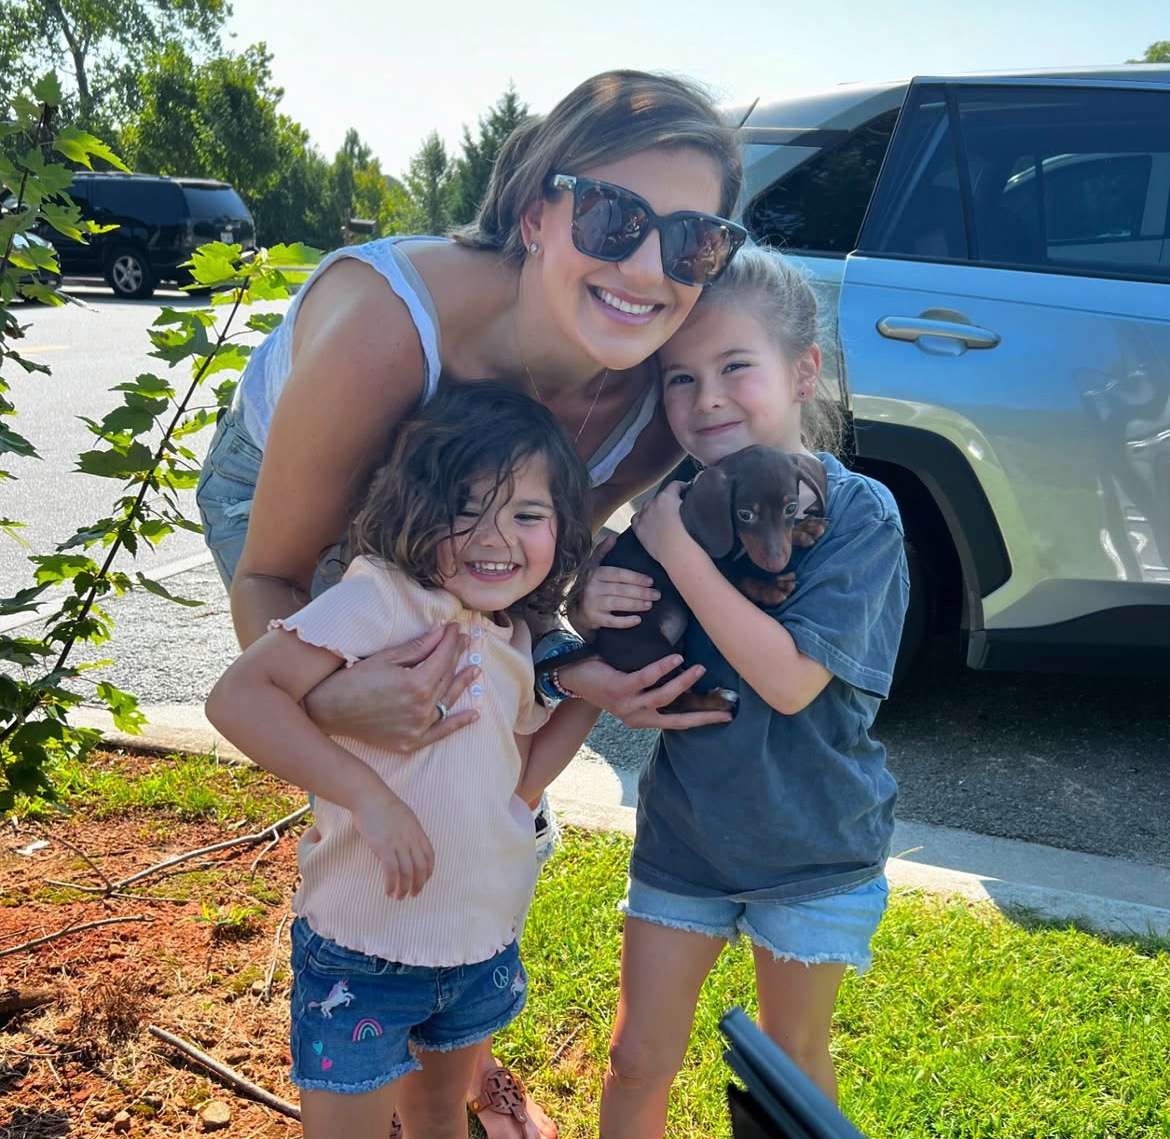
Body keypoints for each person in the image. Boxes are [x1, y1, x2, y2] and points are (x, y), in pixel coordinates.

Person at [195, 68, 746, 1137]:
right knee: (385, 744)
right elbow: (273, 574)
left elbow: (536, 585)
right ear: (538, 210)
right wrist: (331, 703)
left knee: (478, 770)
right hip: (303, 495)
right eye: (615, 217)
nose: (648, 267)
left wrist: (580, 670)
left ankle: (454, 1055)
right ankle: (367, 1036)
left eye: (692, 239)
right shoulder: (383, 324)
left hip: (478, 506)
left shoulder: (658, 388)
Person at [568, 247, 909, 1138]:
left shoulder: (857, 512)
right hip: (687, 835)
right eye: (679, 377)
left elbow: (791, 680)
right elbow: (606, 622)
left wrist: (677, 546)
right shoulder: (674, 501)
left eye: (733, 368)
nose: (705, 398)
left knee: (788, 1065)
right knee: (638, 1055)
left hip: (813, 843)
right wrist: (588, 599)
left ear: (804, 371)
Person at [206, 385, 602, 1139]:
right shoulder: (382, 600)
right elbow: (239, 697)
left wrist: (594, 685)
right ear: (413, 508)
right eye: (465, 507)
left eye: (527, 514)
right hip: (363, 957)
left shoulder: (511, 631)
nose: (496, 537)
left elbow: (526, 772)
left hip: (477, 947)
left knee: (440, 1123)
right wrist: (371, 797)